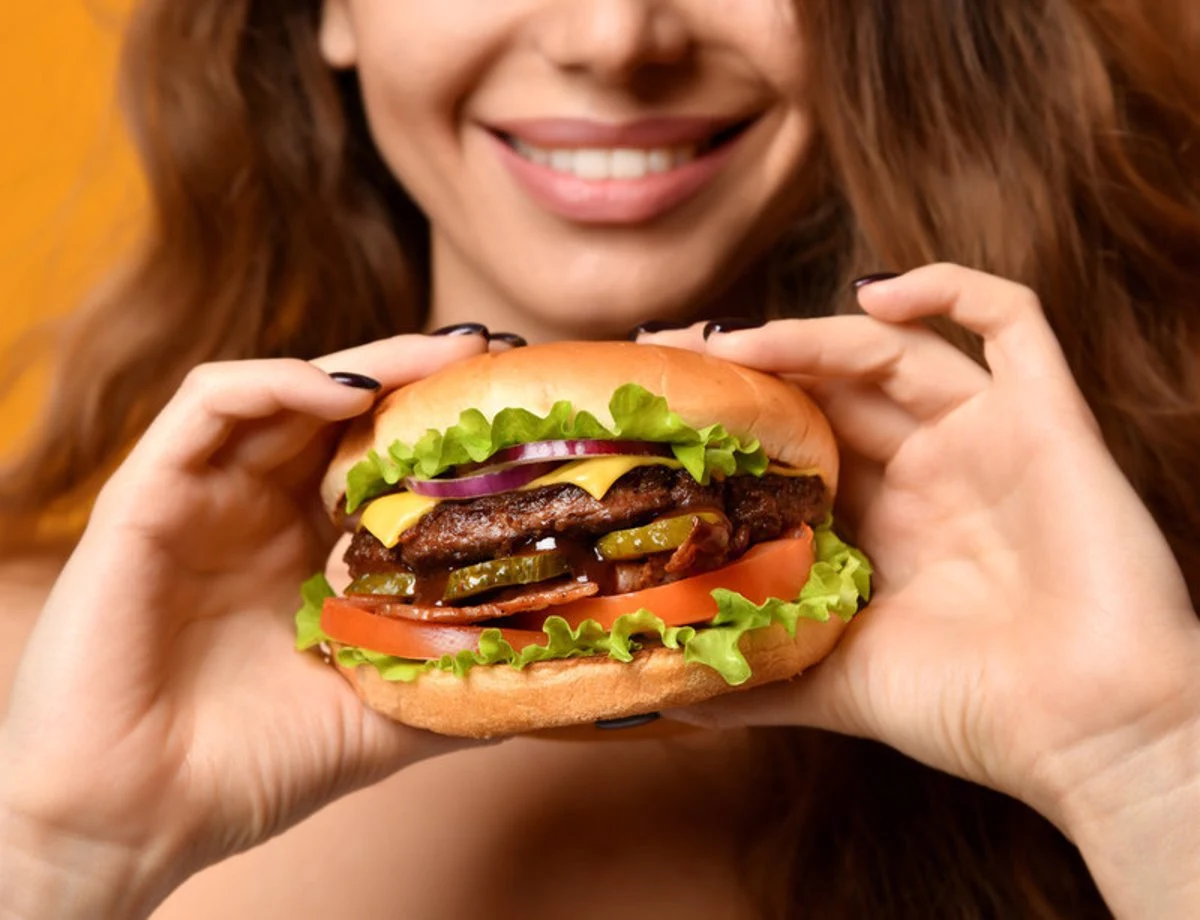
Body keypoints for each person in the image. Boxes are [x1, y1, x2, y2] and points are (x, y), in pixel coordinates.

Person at [1, 0, 1198, 917]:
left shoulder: (1112, 630)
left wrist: (1144, 769)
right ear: (332, 9)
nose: (615, 38)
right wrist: (64, 859)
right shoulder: (41, 692)